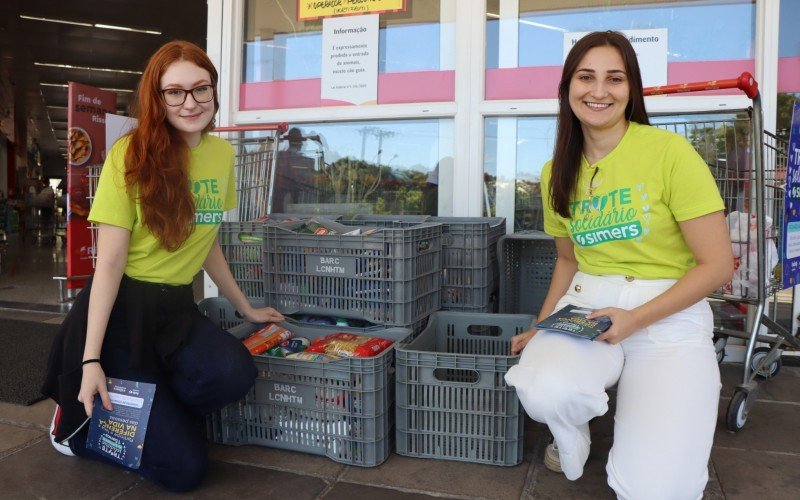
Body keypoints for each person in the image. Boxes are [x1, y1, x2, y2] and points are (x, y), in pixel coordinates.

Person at [41, 40, 284, 492]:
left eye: (200, 89)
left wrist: (246, 308)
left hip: (174, 308)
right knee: (185, 471)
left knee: (234, 373)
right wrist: (90, 357)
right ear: (157, 97)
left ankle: (155, 409)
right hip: (120, 310)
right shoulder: (130, 155)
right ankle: (70, 429)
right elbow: (109, 264)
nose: (189, 103)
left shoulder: (222, 156)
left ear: (214, 92)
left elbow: (207, 240)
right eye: (174, 92)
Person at [503, 31, 733, 499]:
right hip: (589, 302)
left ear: (632, 89)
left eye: (615, 78)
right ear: (568, 86)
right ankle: (573, 433)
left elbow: (717, 265)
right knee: (542, 387)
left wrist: (636, 319)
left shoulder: (669, 152)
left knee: (657, 489)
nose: (599, 91)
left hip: (667, 308)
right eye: (586, 77)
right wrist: (542, 324)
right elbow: (567, 258)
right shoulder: (555, 171)